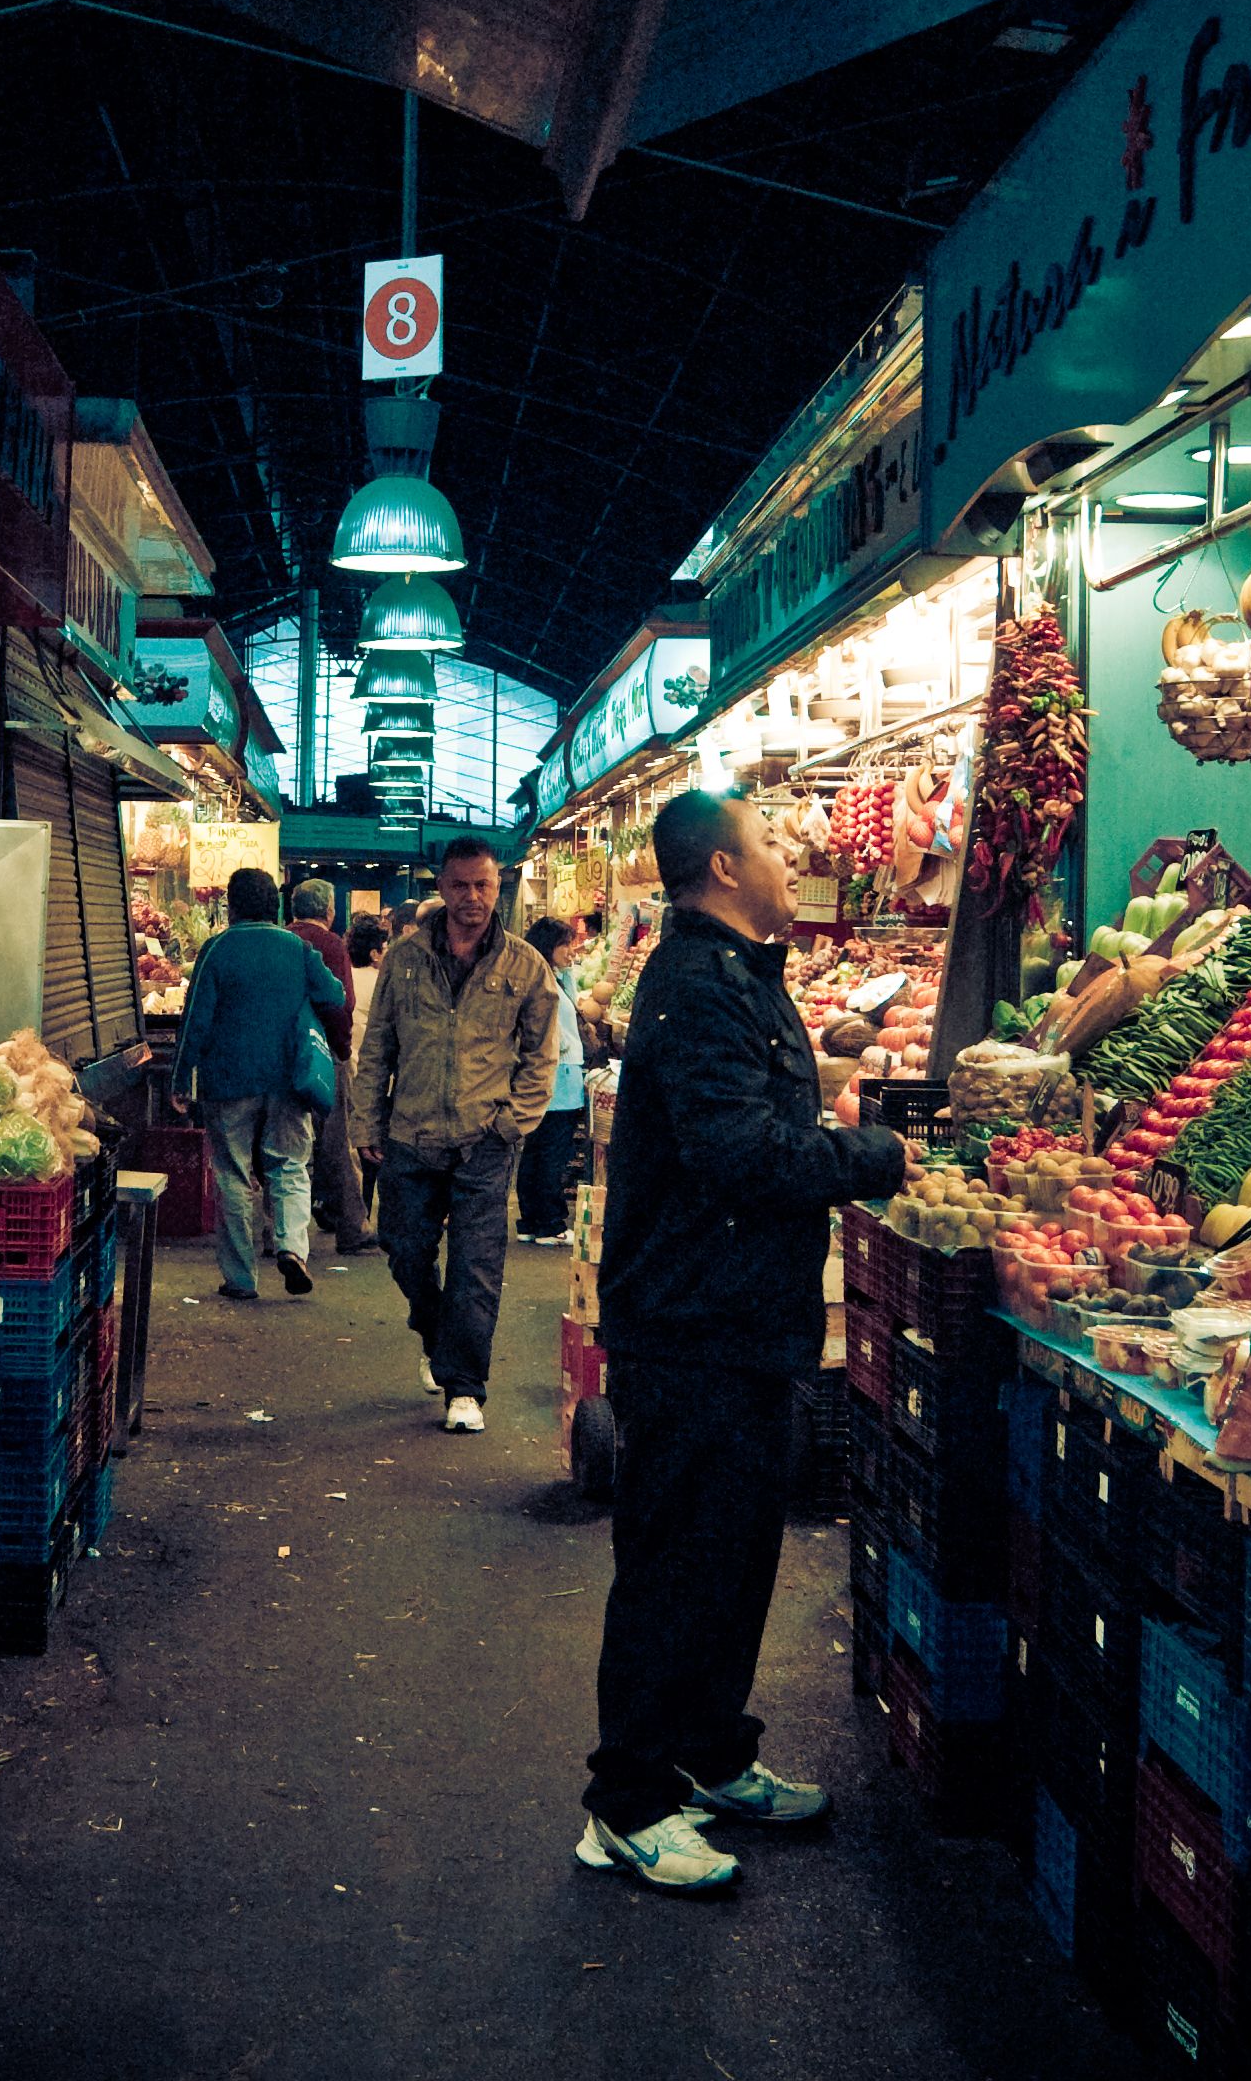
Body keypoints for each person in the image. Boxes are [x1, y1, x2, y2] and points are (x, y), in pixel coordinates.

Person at [577, 790, 911, 1895]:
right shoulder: (696, 987)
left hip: (742, 1322)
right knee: (674, 1566)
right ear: (722, 868)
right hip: (689, 1329)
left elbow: (759, 1138)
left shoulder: (736, 977)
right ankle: (624, 1804)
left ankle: (709, 1755)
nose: (784, 857)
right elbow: (740, 1157)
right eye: (767, 843)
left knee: (732, 1561)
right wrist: (872, 1157)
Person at [348, 835, 557, 1434]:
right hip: (410, 1134)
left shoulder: (524, 965)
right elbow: (378, 1046)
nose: (473, 896)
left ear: (498, 887)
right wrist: (367, 1121)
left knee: (477, 1266)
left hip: (484, 1139)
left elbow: (541, 1054)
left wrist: (513, 1121)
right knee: (404, 1248)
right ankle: (434, 1332)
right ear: (440, 887)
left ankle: (465, 1388)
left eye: (484, 884)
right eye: (461, 884)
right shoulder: (406, 959)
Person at [172, 866, 345, 1301]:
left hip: (228, 1081)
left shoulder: (218, 949)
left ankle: (241, 1279)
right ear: (276, 904)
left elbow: (195, 1022)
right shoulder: (297, 947)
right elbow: (335, 995)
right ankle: (291, 1248)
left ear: (232, 906)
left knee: (232, 1174)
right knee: (289, 1164)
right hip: (288, 1077)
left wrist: (181, 1079)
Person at [285, 879, 370, 1255]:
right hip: (324, 1056)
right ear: (330, 911)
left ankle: (285, 1234)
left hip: (284, 1058)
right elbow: (342, 1003)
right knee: (338, 1142)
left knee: (288, 1147)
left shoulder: (281, 939)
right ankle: (353, 1227)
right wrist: (342, 1050)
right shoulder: (332, 945)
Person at [515, 917, 589, 1245]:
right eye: (565, 945)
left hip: (549, 1076)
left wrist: (568, 971)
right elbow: (554, 1032)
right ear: (549, 947)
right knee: (551, 1153)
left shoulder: (547, 978)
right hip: (559, 1075)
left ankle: (532, 1220)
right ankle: (550, 1223)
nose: (570, 952)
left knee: (537, 1150)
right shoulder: (544, 983)